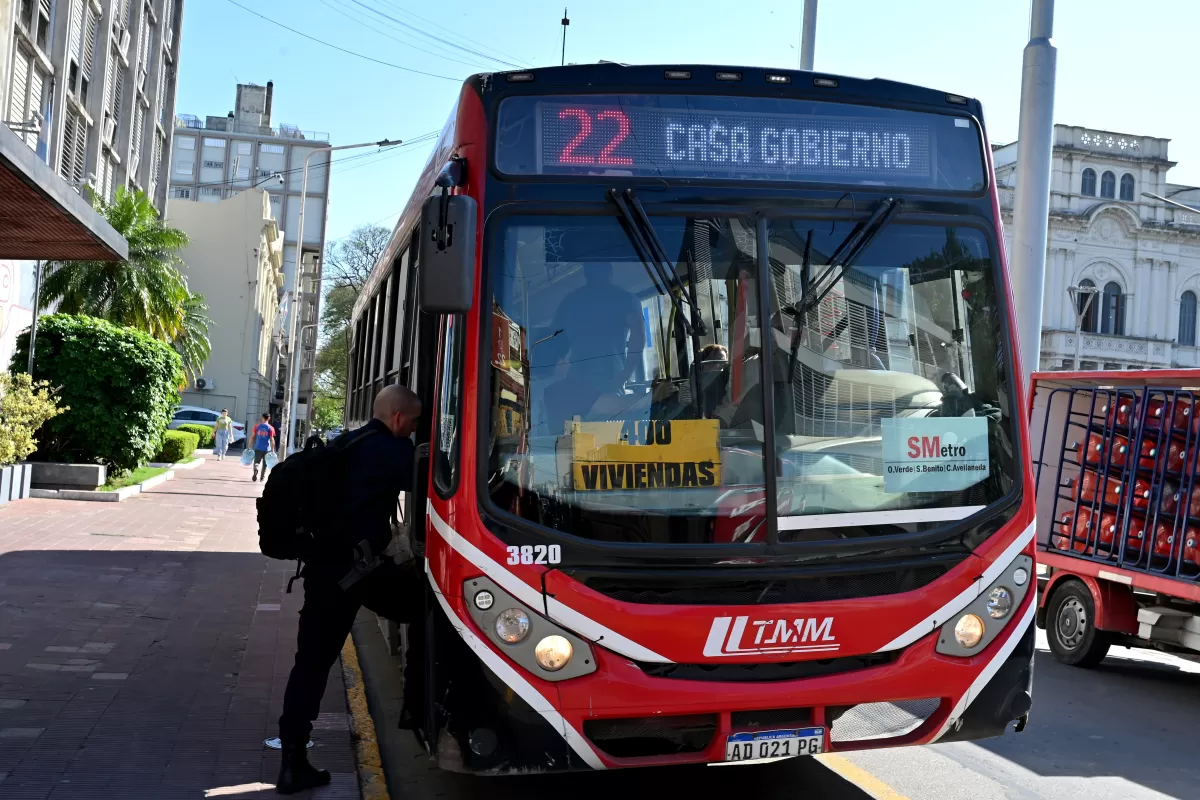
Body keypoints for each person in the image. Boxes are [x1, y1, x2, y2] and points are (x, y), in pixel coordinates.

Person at [275, 384, 424, 794]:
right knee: (431, 611)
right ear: (398, 419)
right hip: (361, 575)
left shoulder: (346, 443)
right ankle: (418, 708)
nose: (413, 431)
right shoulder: (392, 451)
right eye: (413, 423)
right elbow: (442, 484)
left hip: (324, 573)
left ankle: (292, 762)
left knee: (310, 665)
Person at [547, 262, 646, 421]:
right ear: (610, 271)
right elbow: (638, 334)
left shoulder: (570, 301)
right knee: (613, 426)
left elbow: (553, 338)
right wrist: (626, 372)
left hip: (577, 380)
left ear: (586, 273)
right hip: (611, 377)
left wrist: (560, 372)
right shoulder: (625, 298)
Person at [251, 413, 275, 482]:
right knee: (265, 464)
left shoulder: (257, 426)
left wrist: (249, 446)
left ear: (262, 417)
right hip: (267, 449)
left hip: (258, 447)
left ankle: (256, 468)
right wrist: (273, 450)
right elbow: (272, 439)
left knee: (256, 462)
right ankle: (262, 478)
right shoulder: (271, 428)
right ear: (269, 418)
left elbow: (252, 437)